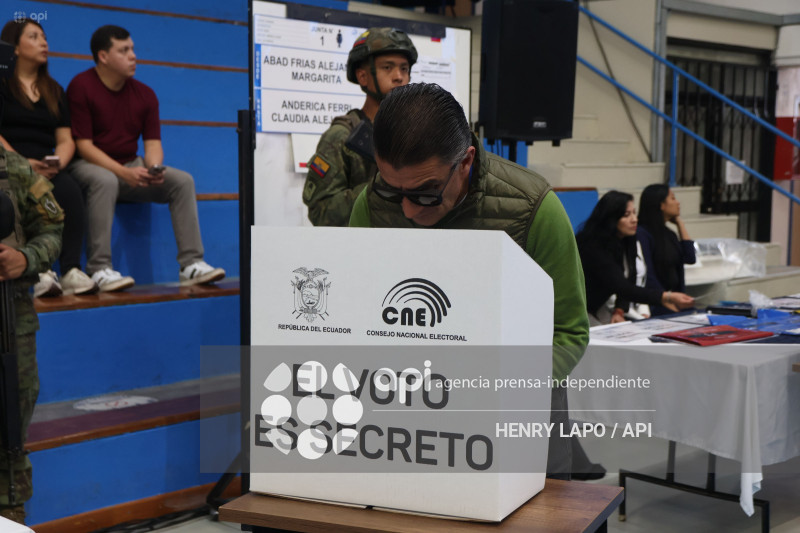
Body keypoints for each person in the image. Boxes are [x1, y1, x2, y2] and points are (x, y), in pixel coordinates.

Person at [349, 83, 589, 479]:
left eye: (426, 193)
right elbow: (356, 314)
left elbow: (568, 331)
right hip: (408, 423)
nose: (407, 210)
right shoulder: (372, 205)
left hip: (518, 424)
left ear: (466, 161)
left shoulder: (533, 210)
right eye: (394, 191)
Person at [66, 25, 224, 291]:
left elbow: (152, 144)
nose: (133, 56)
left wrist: (153, 167)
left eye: (133, 49)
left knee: (182, 181)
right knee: (105, 180)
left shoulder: (145, 94)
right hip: (88, 165)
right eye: (124, 50)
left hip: (129, 165)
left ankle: (191, 264)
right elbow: (84, 147)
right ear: (103, 56)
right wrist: (123, 173)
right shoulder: (81, 86)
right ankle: (99, 269)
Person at [0, 19, 97, 297]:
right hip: (9, 164)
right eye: (34, 37)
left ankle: (70, 269)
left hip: (46, 166)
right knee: (18, 192)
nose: (44, 43)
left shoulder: (54, 90)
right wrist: (22, 164)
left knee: (69, 190)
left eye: (44, 37)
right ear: (14, 47)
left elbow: (65, 139)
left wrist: (57, 163)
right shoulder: (2, 85)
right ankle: (39, 272)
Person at [0, 145, 64, 524]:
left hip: (9, 319)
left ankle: (9, 515)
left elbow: (52, 228)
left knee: (9, 426)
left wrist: (25, 258)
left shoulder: (12, 167)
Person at [303, 27, 417, 226]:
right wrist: (379, 188)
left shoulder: (418, 133)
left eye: (404, 68)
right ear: (363, 76)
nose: (399, 76)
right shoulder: (342, 136)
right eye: (387, 67)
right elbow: (321, 213)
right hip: (362, 243)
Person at [576, 190, 694, 326]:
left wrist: (620, 309)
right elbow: (620, 285)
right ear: (611, 218)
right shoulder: (593, 246)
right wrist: (665, 297)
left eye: (634, 213)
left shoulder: (628, 238)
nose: (634, 219)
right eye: (627, 215)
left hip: (598, 304)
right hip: (577, 306)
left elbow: (631, 276)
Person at [638, 184, 697, 316]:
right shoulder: (642, 234)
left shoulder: (669, 234)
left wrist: (680, 224)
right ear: (661, 205)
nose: (678, 203)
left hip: (673, 299)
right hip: (656, 301)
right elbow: (648, 274)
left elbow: (690, 258)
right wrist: (666, 299)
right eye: (673, 198)